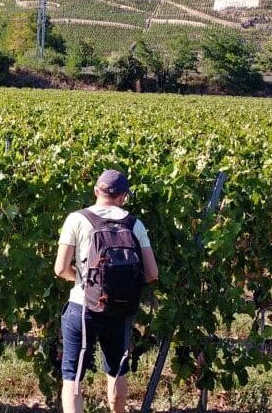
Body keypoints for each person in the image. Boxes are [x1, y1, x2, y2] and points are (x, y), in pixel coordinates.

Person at [54, 169, 159, 413]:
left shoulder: (76, 219)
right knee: (117, 369)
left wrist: (84, 282)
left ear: (96, 191)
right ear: (123, 196)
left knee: (73, 378)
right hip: (120, 308)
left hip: (83, 307)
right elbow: (153, 273)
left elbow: (60, 268)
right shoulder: (135, 224)